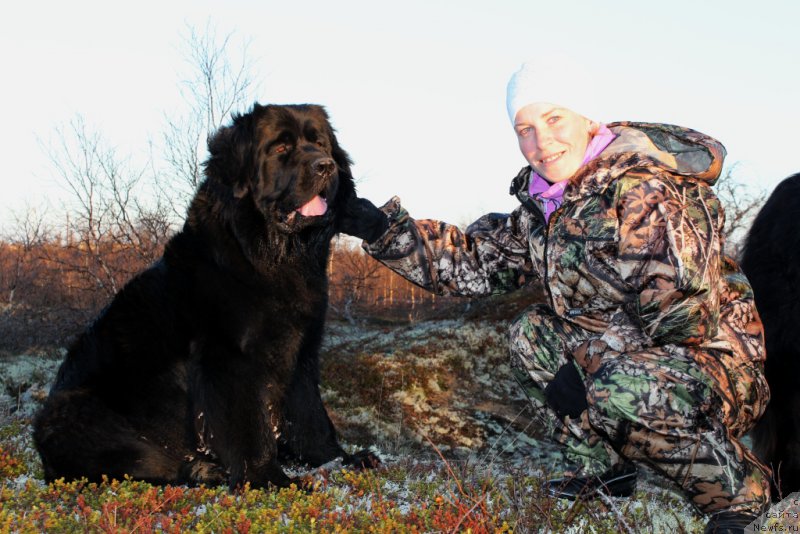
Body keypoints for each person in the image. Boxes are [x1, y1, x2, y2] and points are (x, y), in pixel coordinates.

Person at [337, 59, 771, 533]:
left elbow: (680, 318)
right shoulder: (546, 205)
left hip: (716, 363)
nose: (541, 142)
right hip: (627, 361)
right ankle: (606, 470)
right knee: (533, 335)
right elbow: (476, 266)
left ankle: (739, 495)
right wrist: (380, 229)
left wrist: (590, 363)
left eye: (554, 119)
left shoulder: (645, 192)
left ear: (589, 121)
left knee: (613, 386)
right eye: (524, 128)